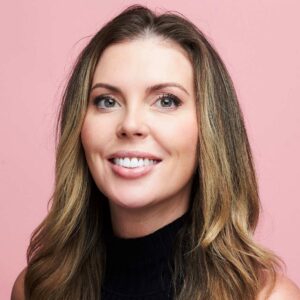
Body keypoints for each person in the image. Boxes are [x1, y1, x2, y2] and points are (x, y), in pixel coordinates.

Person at [11, 4, 300, 300]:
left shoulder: (265, 296)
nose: (131, 124)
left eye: (166, 101)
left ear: (210, 130)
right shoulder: (37, 290)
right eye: (107, 101)